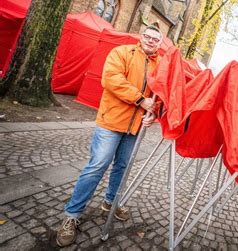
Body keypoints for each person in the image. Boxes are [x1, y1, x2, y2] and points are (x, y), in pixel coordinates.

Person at [56, 25, 164, 247]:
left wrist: (154, 113)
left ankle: (110, 202)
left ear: (160, 43)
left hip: (134, 127)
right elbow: (111, 79)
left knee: (122, 166)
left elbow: (160, 96)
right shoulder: (122, 53)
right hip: (111, 121)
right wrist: (141, 100)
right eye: (147, 36)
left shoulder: (161, 66)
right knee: (98, 164)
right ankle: (72, 215)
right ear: (140, 37)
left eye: (155, 39)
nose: (150, 41)